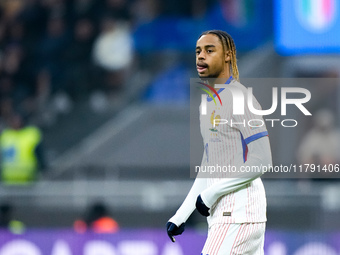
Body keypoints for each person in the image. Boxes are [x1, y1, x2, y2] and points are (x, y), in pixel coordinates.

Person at [166, 30, 272, 254]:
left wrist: (211, 194)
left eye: (209, 50)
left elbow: (262, 160)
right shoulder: (208, 102)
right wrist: (182, 214)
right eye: (198, 51)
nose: (200, 56)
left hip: (237, 214)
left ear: (228, 55)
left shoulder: (240, 97)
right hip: (228, 216)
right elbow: (209, 165)